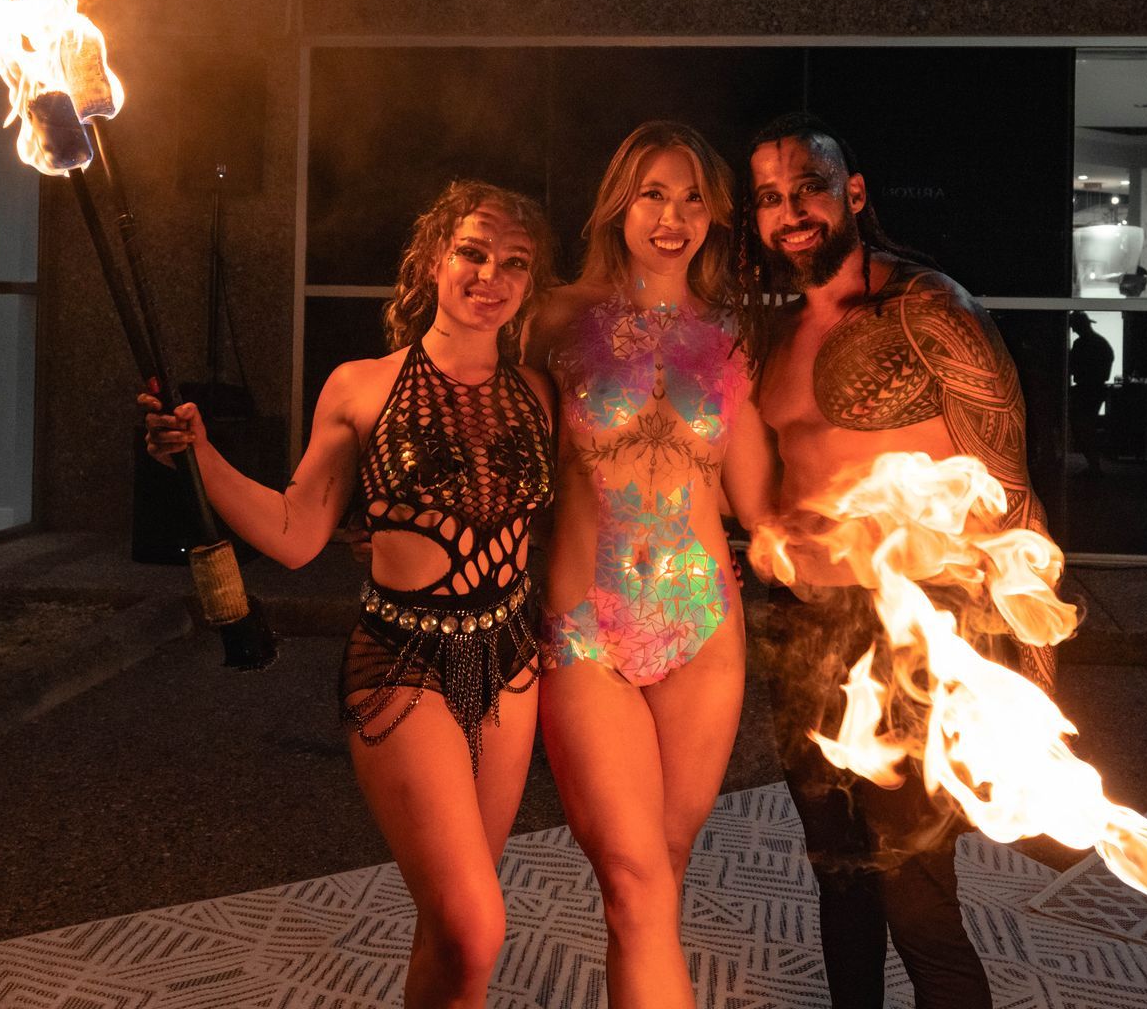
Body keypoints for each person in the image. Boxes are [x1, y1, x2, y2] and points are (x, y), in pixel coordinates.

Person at [142, 181, 557, 1009]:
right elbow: (297, 534)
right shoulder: (363, 385)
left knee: (451, 929)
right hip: (404, 661)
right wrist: (201, 456)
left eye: (514, 262)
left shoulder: (537, 393)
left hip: (512, 662)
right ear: (435, 258)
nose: (490, 275)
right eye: (473, 252)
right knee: (477, 922)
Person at [745, 113, 1056, 1009]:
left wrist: (1035, 692)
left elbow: (1014, 498)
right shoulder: (775, 335)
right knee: (838, 879)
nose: (790, 211)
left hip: (915, 632)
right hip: (804, 636)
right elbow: (773, 488)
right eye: (769, 197)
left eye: (808, 185)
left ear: (854, 192)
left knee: (915, 895)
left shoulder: (930, 312)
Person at [527, 121, 776, 1009]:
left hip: (705, 626)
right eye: (653, 195)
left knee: (659, 876)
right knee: (634, 877)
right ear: (618, 205)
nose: (673, 218)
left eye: (692, 199)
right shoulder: (552, 316)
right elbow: (488, 423)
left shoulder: (730, 335)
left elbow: (756, 504)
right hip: (588, 626)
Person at [1068, 311, 1114, 476]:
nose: (1073, 330)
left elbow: (1072, 367)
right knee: (1087, 427)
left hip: (1086, 389)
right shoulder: (1101, 343)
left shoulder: (1083, 344)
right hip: (1095, 389)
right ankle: (1094, 464)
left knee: (1083, 427)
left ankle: (1094, 465)